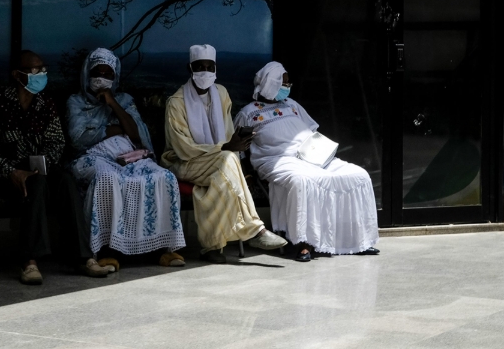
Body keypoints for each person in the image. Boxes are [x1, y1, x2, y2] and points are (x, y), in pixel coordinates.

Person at [0, 50, 111, 284]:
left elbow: (57, 141)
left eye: (44, 70)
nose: (42, 74)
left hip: (39, 167)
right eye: (35, 70)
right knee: (35, 182)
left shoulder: (45, 103)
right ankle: (29, 262)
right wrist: (12, 171)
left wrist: (44, 163)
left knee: (66, 179)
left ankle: (83, 256)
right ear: (17, 75)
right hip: (4, 173)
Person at [235, 62, 379, 262]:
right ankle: (305, 243)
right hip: (276, 159)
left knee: (358, 176)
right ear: (270, 83)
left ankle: (357, 242)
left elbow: (313, 131)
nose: (288, 86)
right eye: (284, 82)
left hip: (311, 155)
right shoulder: (248, 113)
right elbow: (239, 150)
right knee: (304, 181)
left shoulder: (292, 105)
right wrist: (247, 172)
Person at [161, 44, 287, 263]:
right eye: (200, 67)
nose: (206, 72)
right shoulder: (176, 102)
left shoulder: (221, 94)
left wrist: (234, 144)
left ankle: (212, 247)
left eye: (210, 67)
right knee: (227, 159)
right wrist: (226, 148)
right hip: (183, 163)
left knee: (222, 174)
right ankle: (255, 231)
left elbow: (228, 135)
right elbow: (183, 148)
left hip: (217, 161)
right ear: (189, 68)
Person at [66, 48, 186, 268]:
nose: (102, 78)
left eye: (108, 74)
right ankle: (106, 250)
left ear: (115, 77)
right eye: (97, 72)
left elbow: (135, 133)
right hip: (91, 157)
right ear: (87, 74)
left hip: (128, 155)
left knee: (163, 177)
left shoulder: (124, 99)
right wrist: (113, 128)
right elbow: (78, 138)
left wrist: (112, 103)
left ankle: (162, 249)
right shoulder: (76, 101)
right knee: (108, 179)